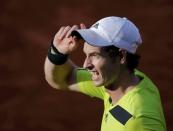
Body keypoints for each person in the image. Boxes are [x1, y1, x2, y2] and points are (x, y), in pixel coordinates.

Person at [44, 16, 166, 131]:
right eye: (86, 55)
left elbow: (130, 119)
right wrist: (57, 53)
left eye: (94, 55)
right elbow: (63, 79)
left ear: (121, 56)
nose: (86, 65)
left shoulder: (139, 120)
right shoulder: (116, 81)